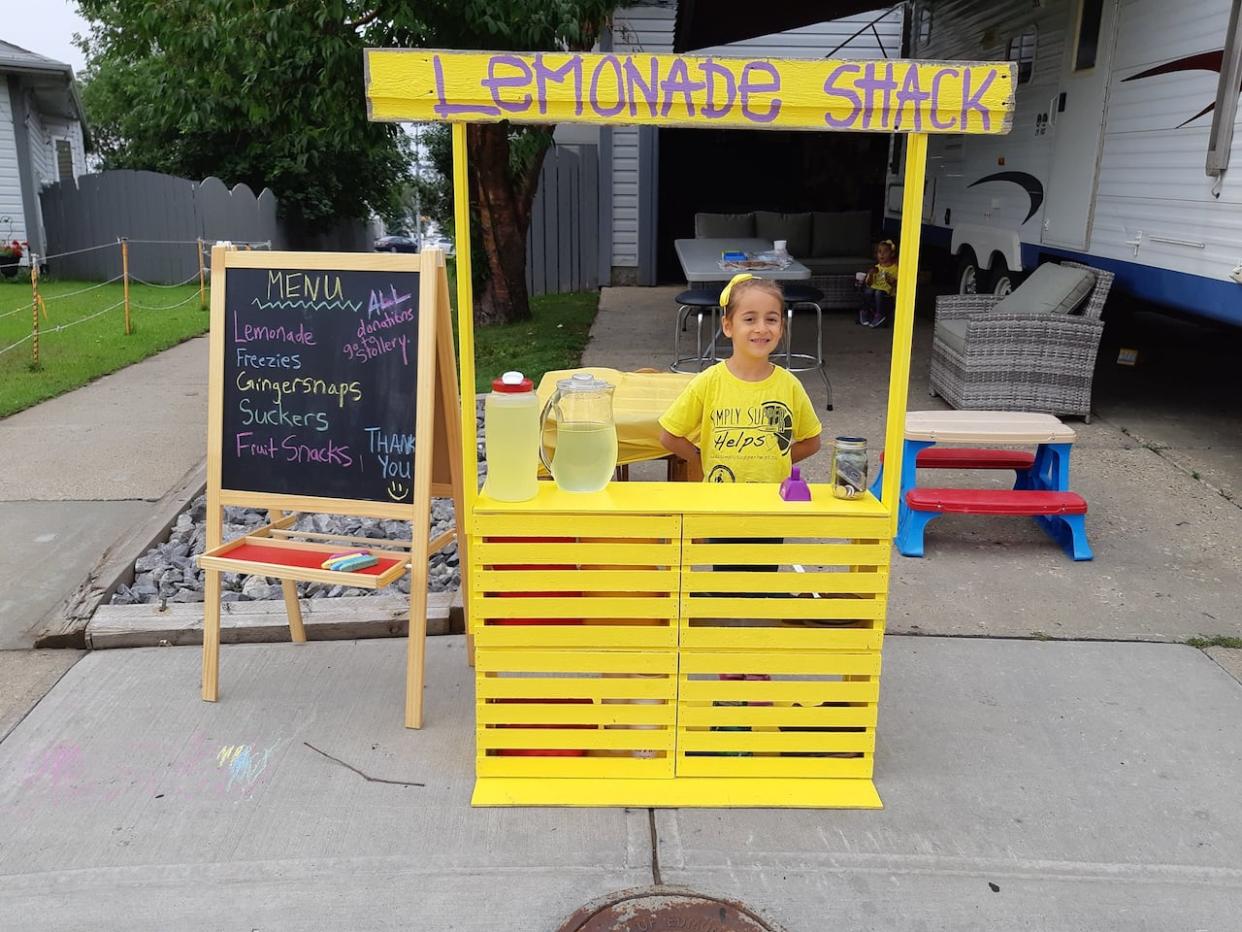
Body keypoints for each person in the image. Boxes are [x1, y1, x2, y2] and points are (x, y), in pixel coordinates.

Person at [658, 273, 822, 484]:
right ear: (728, 326)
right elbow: (669, 435)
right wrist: (701, 460)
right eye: (749, 319)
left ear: (781, 327)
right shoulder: (708, 382)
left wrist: (776, 462)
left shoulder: (788, 385)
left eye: (771, 319)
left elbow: (811, 441)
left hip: (770, 504)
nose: (761, 328)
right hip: (720, 506)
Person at [858, 239, 898, 328]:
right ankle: (864, 311)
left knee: (878, 292)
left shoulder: (894, 268)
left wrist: (889, 280)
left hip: (887, 294)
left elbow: (895, 285)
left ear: (892, 254)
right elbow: (869, 283)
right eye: (879, 252)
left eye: (885, 252)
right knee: (868, 291)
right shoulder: (876, 268)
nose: (882, 254)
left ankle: (879, 315)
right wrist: (870, 275)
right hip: (874, 290)